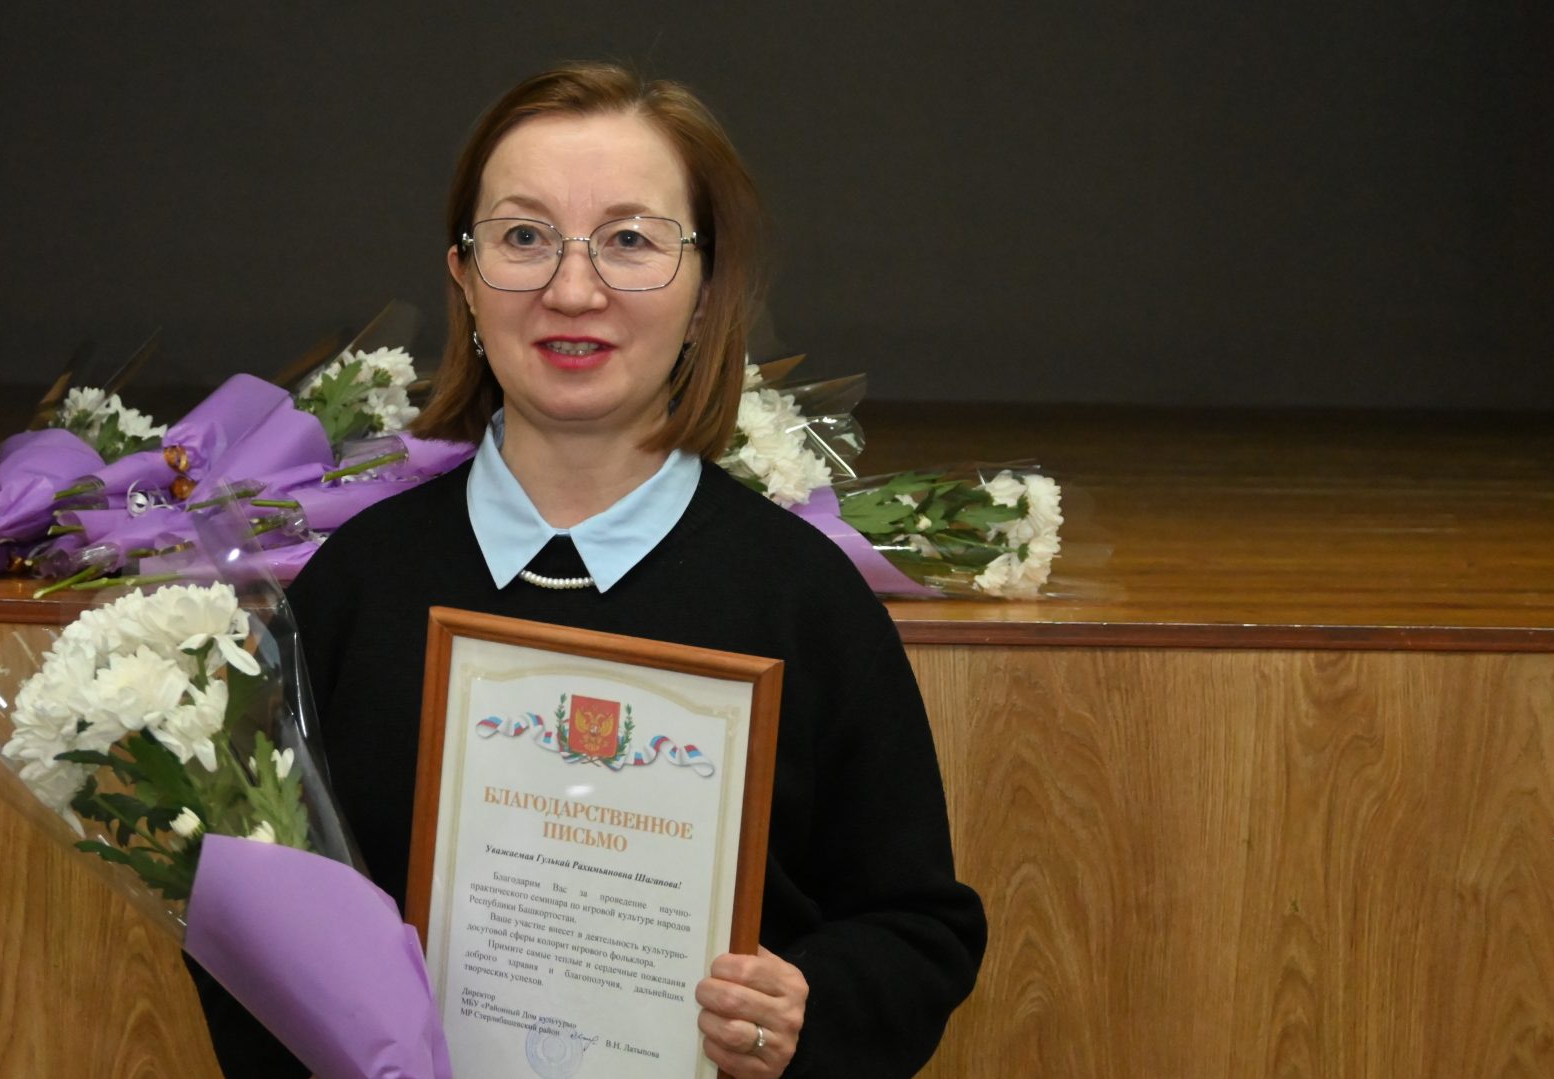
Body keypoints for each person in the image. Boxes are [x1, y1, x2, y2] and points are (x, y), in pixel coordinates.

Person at [190, 61, 985, 1078]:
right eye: (524, 237)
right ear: (465, 277)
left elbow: (919, 928)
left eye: (630, 241)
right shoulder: (353, 589)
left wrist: (805, 1007)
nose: (573, 289)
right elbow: (247, 917)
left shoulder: (807, 602)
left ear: (707, 288)